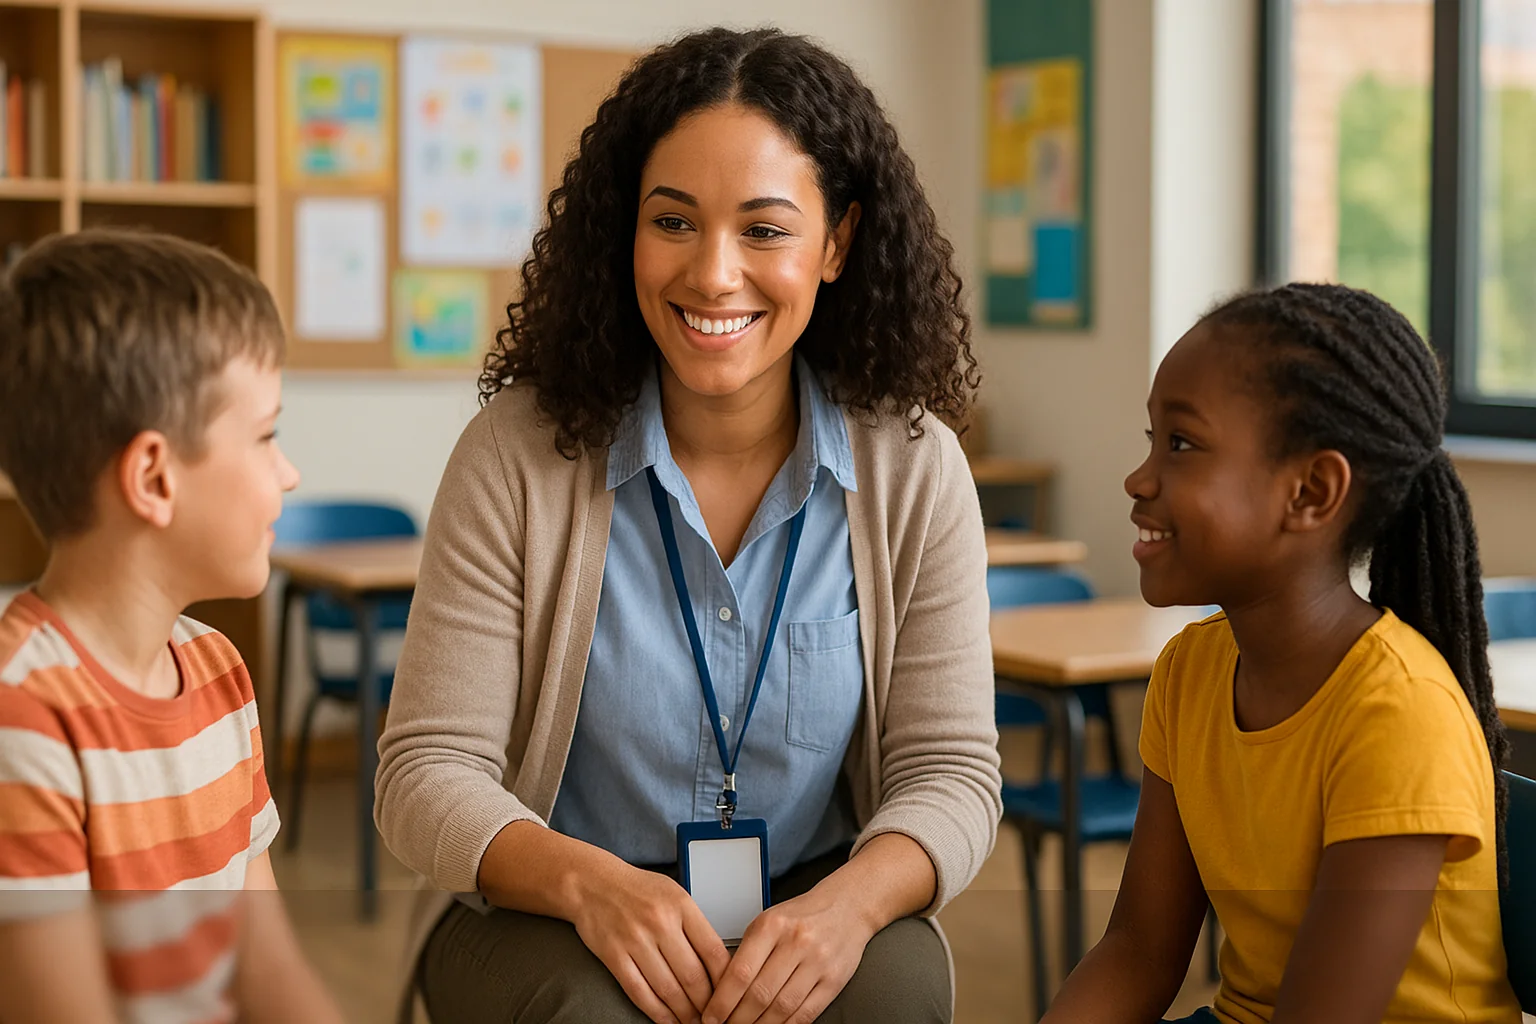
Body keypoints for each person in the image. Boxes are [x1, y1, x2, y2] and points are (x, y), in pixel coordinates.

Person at [374, 25, 1001, 1024]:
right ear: (626, 231)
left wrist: (849, 907)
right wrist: (587, 887)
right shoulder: (515, 453)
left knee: (899, 991)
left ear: (836, 243)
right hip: (553, 905)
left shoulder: (915, 466)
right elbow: (425, 773)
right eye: (674, 222)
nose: (713, 275)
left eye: (764, 230)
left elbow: (952, 773)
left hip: (809, 889)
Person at [1042, 283, 1521, 1023]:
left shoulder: (1399, 713)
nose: (1140, 479)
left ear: (1312, 490)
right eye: (1151, 440)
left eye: (1182, 444)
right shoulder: (1189, 671)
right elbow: (1138, 950)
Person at [0, 230, 343, 1024]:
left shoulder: (219, 669)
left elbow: (268, 971)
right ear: (154, 477)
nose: (288, 471)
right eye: (265, 436)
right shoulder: (24, 720)